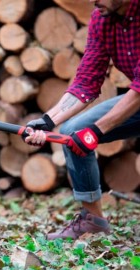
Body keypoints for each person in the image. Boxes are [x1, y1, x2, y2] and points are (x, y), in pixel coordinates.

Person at [23, 0, 140, 240]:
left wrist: (95, 132)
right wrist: (47, 121)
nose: (93, 1)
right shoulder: (102, 18)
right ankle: (93, 220)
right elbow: (86, 81)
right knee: (73, 130)